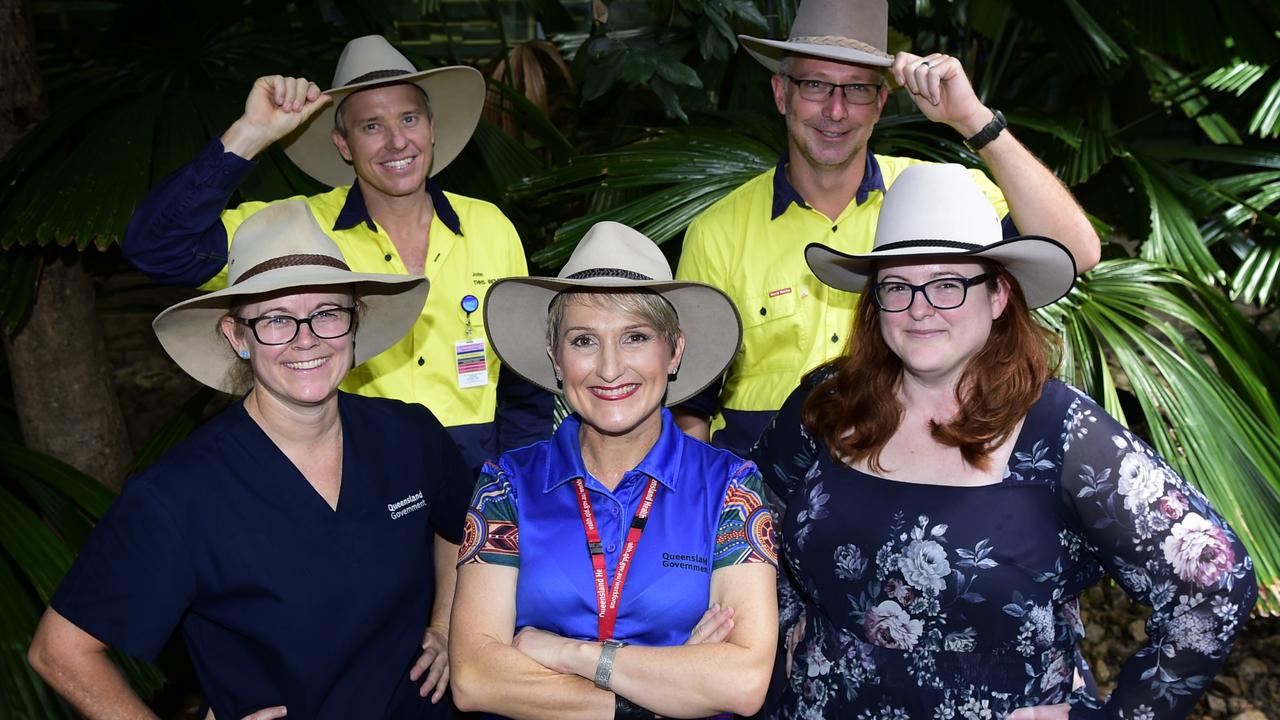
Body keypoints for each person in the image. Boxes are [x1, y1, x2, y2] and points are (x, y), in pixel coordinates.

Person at [750, 164, 1256, 719]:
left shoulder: (1062, 433)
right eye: (898, 285)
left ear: (997, 295)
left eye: (948, 284)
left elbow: (1215, 583)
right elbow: (755, 518)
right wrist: (771, 638)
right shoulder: (828, 400)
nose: (920, 308)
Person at [28, 201, 474, 719]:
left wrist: (445, 626)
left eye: (327, 312)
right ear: (237, 336)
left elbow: (461, 524)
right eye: (276, 319)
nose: (306, 339)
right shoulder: (178, 495)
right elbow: (61, 651)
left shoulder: (407, 433)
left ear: (354, 322)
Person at [674, 0, 1102, 455]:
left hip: (911, 477)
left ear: (880, 103)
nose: (836, 111)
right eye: (816, 85)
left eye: (857, 89)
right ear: (782, 94)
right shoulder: (716, 231)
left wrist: (972, 119)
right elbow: (691, 404)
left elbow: (1076, 249)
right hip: (759, 492)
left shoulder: (937, 195)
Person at [121, 34, 549, 471]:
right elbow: (157, 247)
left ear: (431, 128)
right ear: (343, 144)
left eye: (409, 118)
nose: (397, 142)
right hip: (353, 470)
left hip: (478, 476)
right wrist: (249, 134)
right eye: (371, 126)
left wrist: (517, 483)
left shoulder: (489, 225)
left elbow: (523, 379)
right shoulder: (293, 232)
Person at [449, 222, 779, 719]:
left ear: (674, 351)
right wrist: (669, 689)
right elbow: (475, 677)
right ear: (554, 357)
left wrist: (568, 653)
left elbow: (743, 681)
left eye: (635, 337)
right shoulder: (506, 486)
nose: (609, 368)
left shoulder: (732, 486)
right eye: (584, 340)